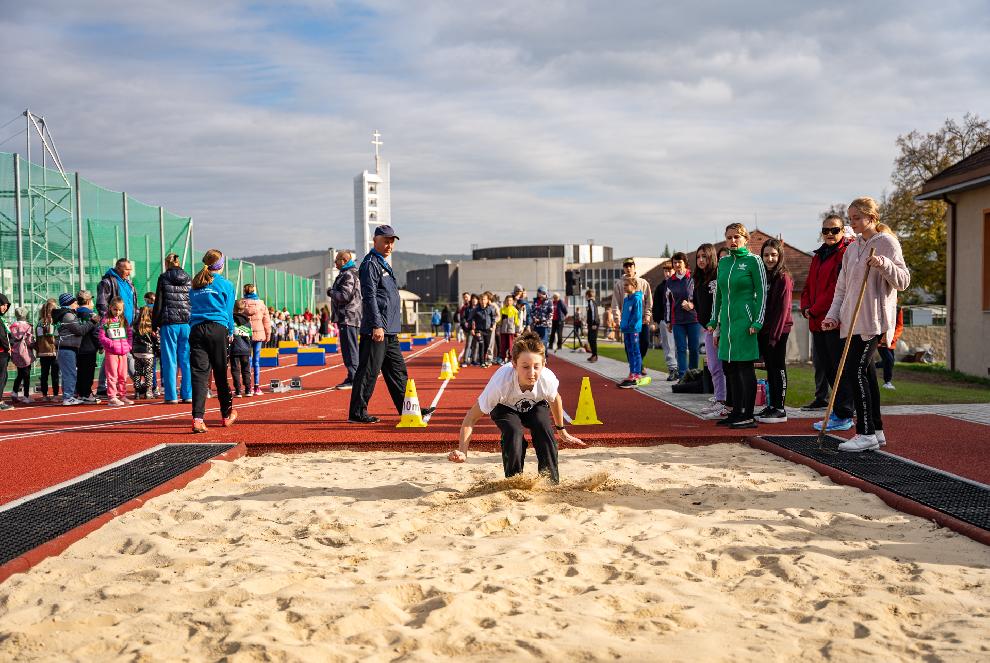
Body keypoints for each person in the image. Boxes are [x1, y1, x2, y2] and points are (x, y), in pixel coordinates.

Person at [822, 197, 910, 451]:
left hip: (873, 320)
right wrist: (833, 316)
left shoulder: (886, 242)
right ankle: (877, 429)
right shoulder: (851, 249)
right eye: (850, 218)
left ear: (871, 217)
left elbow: (903, 281)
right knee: (868, 375)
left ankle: (865, 432)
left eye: (857, 218)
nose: (853, 223)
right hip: (852, 321)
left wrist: (884, 264)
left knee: (855, 371)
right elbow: (841, 289)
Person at [447, 330, 586, 483]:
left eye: (536, 366)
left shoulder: (547, 378)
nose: (531, 373)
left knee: (544, 430)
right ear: (514, 364)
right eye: (525, 367)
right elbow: (470, 418)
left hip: (535, 405)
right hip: (504, 407)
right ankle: (514, 480)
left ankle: (550, 481)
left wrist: (562, 430)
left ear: (544, 364)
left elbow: (555, 399)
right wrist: (463, 451)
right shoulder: (500, 383)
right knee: (514, 433)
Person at [348, 225, 436, 424]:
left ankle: (409, 408)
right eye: (385, 241)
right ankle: (357, 413)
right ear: (375, 240)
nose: (389, 245)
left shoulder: (382, 263)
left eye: (391, 241)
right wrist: (376, 325)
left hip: (390, 329)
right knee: (368, 372)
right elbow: (369, 297)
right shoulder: (371, 264)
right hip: (377, 329)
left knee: (398, 372)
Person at [708, 222, 766, 429]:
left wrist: (757, 320)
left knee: (744, 367)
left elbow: (761, 293)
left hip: (746, 322)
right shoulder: (723, 263)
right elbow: (719, 295)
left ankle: (747, 414)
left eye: (736, 237)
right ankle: (736, 411)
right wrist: (714, 320)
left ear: (745, 239)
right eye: (729, 237)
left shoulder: (754, 261)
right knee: (729, 368)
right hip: (727, 324)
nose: (732, 241)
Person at [800, 214, 856, 426]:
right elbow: (808, 286)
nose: (830, 234)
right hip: (816, 321)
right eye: (826, 230)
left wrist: (815, 309)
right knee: (825, 367)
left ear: (842, 231)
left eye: (835, 230)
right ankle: (839, 410)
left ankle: (844, 413)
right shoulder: (818, 256)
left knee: (837, 368)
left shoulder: (844, 254)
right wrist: (805, 306)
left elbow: (836, 289)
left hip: (833, 321)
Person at [188, 249, 237, 433]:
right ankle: (226, 415)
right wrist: (230, 331)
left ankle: (198, 419)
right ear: (221, 265)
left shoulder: (196, 283)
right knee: (220, 373)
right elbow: (229, 311)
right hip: (218, 329)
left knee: (199, 375)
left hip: (197, 329)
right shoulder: (226, 284)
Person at [756, 238, 793, 424]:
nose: (769, 258)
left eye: (773, 255)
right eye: (766, 255)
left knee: (778, 368)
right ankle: (772, 405)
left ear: (779, 256)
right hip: (765, 331)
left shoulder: (783, 278)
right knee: (770, 370)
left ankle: (780, 408)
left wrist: (774, 337)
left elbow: (782, 310)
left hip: (778, 332)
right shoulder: (765, 277)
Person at [692, 244, 728, 420]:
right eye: (698, 257)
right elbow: (698, 304)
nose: (700, 260)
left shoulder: (717, 276)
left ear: (711, 257)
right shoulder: (698, 279)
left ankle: (724, 400)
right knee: (713, 366)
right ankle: (720, 398)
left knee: (721, 366)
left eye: (704, 257)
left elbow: (720, 303)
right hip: (708, 328)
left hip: (720, 328)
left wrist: (717, 326)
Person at [152, 253, 192, 404]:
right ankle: (188, 394)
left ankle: (171, 396)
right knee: (186, 359)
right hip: (186, 323)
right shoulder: (188, 277)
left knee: (169, 360)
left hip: (169, 322)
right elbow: (191, 299)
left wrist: (154, 322)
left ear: (166, 263)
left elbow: (159, 301)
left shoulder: (163, 277)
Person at [96, 258, 138, 396]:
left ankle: (103, 386)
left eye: (130, 269)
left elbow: (133, 303)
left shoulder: (129, 283)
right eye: (127, 269)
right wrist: (108, 321)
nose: (129, 272)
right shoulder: (107, 282)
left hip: (127, 325)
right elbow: (102, 303)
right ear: (119, 268)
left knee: (116, 354)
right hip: (114, 324)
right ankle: (137, 383)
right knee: (116, 353)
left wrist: (135, 318)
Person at [611, 258, 653, 374]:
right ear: (624, 268)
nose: (628, 268)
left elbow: (649, 300)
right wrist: (617, 319)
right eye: (626, 266)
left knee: (644, 343)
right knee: (629, 345)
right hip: (627, 321)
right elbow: (615, 303)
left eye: (630, 265)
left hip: (642, 320)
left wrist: (647, 315)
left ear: (634, 267)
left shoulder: (643, 283)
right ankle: (634, 369)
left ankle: (639, 363)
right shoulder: (619, 284)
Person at [665, 252, 701, 379]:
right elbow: (668, 303)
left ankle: (694, 375)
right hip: (677, 321)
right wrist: (668, 321)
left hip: (694, 319)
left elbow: (700, 298)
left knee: (694, 348)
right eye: (675, 262)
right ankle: (682, 376)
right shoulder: (670, 282)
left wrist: (693, 305)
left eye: (679, 262)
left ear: (685, 263)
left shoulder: (693, 278)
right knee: (680, 349)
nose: (677, 265)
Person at [54, 292, 92, 406]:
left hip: (65, 348)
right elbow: (80, 330)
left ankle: (68, 395)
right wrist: (92, 322)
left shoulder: (64, 315)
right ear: (69, 303)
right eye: (74, 302)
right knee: (70, 373)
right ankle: (68, 397)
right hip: (67, 348)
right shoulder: (68, 315)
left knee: (67, 373)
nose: (77, 304)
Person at [98, 296, 134, 407]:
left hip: (123, 352)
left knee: (123, 375)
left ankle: (122, 395)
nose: (117, 312)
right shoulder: (106, 320)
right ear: (110, 308)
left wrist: (129, 346)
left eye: (119, 310)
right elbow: (101, 336)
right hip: (112, 353)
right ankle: (112, 397)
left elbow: (129, 334)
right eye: (115, 309)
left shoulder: (124, 320)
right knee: (112, 375)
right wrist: (111, 344)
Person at [240, 283, 271, 395]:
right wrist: (268, 335)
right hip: (259, 335)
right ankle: (257, 386)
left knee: (247, 360)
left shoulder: (241, 304)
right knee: (257, 361)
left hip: (245, 334)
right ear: (254, 291)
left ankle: (247, 387)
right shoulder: (261, 305)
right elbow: (266, 321)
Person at [619, 277, 650, 389]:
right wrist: (622, 325)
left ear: (634, 286)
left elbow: (637, 315)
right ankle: (632, 372)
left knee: (636, 351)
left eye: (627, 285)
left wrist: (630, 325)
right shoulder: (627, 299)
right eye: (624, 285)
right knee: (630, 351)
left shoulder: (637, 298)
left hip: (634, 330)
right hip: (626, 329)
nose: (624, 287)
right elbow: (624, 314)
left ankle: (637, 373)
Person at [651, 261, 678, 380]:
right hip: (664, 320)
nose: (667, 273)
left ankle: (681, 369)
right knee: (668, 345)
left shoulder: (678, 285)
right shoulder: (661, 287)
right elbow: (656, 304)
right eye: (665, 271)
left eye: (669, 270)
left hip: (678, 320)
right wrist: (657, 319)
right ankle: (672, 368)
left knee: (679, 346)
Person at [75, 291, 102, 404]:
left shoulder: (74, 314)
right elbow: (95, 333)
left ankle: (80, 393)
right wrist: (100, 345)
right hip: (89, 348)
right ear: (88, 301)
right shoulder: (91, 315)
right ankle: (86, 393)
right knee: (88, 372)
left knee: (80, 372)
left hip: (77, 347)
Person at [131, 306, 159, 401]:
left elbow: (131, 338)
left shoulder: (135, 325)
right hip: (148, 353)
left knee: (137, 372)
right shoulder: (151, 325)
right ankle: (148, 391)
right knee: (148, 373)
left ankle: (137, 392)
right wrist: (158, 351)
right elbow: (156, 340)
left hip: (137, 353)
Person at [35, 300, 60, 402]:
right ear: (46, 310)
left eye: (55, 309)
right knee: (47, 374)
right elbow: (44, 337)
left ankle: (51, 395)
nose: (53, 311)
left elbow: (56, 336)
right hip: (48, 352)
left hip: (49, 352)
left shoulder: (53, 322)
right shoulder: (44, 322)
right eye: (51, 309)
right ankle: (48, 395)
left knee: (51, 374)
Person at [8, 307, 35, 404]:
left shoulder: (12, 326)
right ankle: (26, 396)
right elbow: (29, 341)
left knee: (20, 373)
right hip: (25, 352)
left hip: (15, 351)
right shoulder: (28, 326)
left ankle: (14, 392)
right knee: (27, 374)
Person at [230, 300, 254, 397]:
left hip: (234, 348)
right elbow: (250, 337)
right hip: (245, 349)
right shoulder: (247, 321)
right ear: (243, 309)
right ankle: (248, 389)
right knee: (246, 369)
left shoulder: (231, 320)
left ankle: (238, 390)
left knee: (235, 369)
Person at [878, 306, 903, 389]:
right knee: (889, 360)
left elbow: (899, 326)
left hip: (891, 341)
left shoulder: (898, 309)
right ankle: (887, 382)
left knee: (889, 362)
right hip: (881, 340)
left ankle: (868, 367)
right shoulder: (880, 305)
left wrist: (893, 338)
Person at [497, 294, 520, 364]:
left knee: (511, 345)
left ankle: (511, 358)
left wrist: (517, 331)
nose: (508, 302)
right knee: (503, 345)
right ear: (505, 301)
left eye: (510, 300)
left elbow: (517, 322)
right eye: (507, 300)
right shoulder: (502, 310)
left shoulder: (515, 310)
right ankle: (503, 358)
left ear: (512, 301)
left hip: (511, 331)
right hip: (503, 331)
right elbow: (499, 320)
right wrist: (498, 329)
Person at [0, 293, 10, 410]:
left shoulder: (2, 319)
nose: (5, 308)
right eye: (3, 305)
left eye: (7, 305)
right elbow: (2, 336)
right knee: (2, 377)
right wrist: (8, 347)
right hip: (1, 352)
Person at [584, 289, 600, 362]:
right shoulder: (590, 302)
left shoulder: (591, 302)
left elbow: (594, 313)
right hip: (591, 324)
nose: (585, 297)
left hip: (594, 324)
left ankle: (595, 356)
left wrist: (594, 323)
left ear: (587, 295)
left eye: (585, 295)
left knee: (593, 340)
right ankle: (593, 354)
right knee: (590, 339)